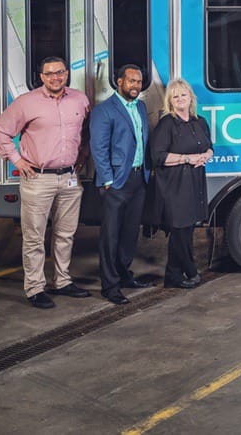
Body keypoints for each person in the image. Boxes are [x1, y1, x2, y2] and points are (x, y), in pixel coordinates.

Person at [0, 57, 91, 309]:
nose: (55, 77)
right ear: (41, 76)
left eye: (60, 72)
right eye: (49, 74)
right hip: (37, 178)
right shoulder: (26, 103)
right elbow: (0, 131)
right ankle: (35, 287)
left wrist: (83, 154)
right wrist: (16, 160)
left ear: (67, 74)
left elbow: (87, 131)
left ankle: (62, 281)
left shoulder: (80, 100)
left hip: (69, 177)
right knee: (34, 237)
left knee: (65, 234)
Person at [90, 64, 152, 305]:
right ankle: (110, 286)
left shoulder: (141, 107)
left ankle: (125, 275)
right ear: (119, 82)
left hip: (139, 178)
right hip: (116, 181)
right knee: (111, 236)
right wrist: (107, 181)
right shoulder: (104, 110)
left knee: (129, 233)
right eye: (131, 81)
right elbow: (99, 147)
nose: (136, 85)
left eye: (138, 82)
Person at [144, 79, 213, 289]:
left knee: (187, 229)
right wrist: (187, 158)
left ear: (190, 97)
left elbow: (210, 146)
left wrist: (206, 155)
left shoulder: (199, 121)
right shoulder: (167, 124)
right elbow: (158, 157)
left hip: (194, 182)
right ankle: (189, 270)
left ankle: (173, 275)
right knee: (180, 229)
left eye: (183, 95)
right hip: (175, 185)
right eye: (175, 96)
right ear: (170, 101)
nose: (180, 99)